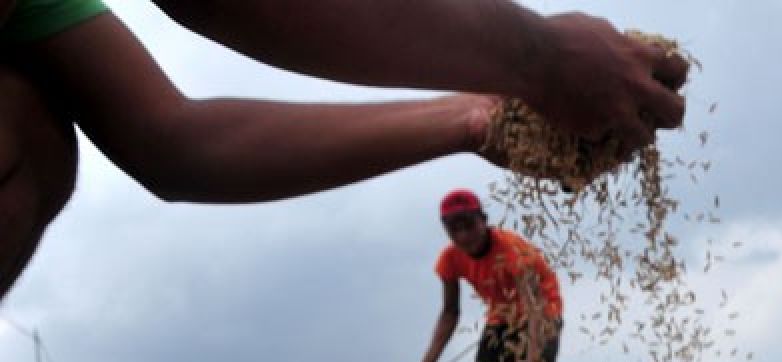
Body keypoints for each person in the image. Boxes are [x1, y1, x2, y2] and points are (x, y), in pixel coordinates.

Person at [0, 0, 690, 299]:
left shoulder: (505, 255)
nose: (459, 231)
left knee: (25, 128)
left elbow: (172, 140)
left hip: (534, 316)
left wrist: (480, 121)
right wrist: (539, 56)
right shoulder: (456, 259)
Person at [413, 189, 562, 362]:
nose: (463, 236)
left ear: (484, 220)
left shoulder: (515, 252)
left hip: (542, 312)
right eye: (453, 229)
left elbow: (535, 311)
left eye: (469, 225)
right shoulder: (450, 260)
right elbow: (450, 312)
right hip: (501, 317)